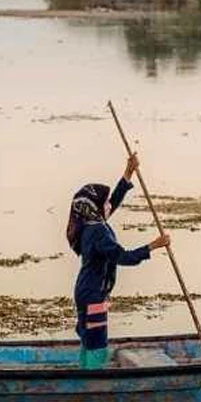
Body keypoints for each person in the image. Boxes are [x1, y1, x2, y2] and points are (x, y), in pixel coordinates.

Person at [67, 154, 170, 369]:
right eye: (102, 203)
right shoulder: (98, 233)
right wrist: (154, 245)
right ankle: (92, 381)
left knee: (89, 337)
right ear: (94, 207)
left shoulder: (89, 223)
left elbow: (113, 202)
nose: (107, 205)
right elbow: (124, 257)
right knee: (96, 341)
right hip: (93, 294)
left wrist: (128, 172)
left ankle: (85, 372)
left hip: (87, 290)